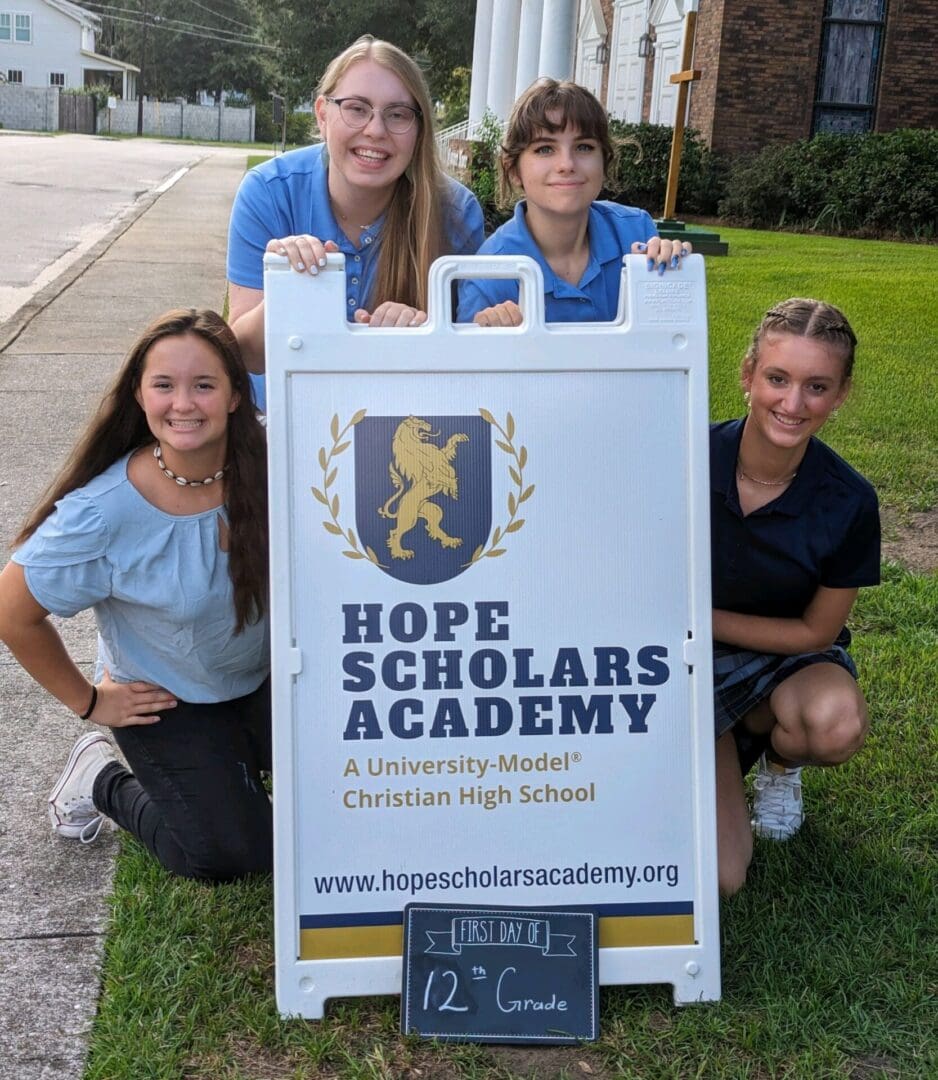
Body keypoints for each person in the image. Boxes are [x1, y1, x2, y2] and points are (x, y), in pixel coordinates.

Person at [0, 309, 272, 882]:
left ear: (233, 395)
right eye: (164, 385)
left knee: (340, 797)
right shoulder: (102, 514)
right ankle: (99, 778)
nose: (184, 403)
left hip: (264, 678)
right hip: (167, 701)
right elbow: (12, 611)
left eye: (204, 384)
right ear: (139, 395)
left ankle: (239, 759)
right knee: (232, 855)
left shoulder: (275, 459)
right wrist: (90, 702)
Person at [710, 299, 880, 896]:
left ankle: (779, 769)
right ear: (748, 374)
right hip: (685, 664)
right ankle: (722, 739)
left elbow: (816, 633)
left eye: (817, 386)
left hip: (787, 655)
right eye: (777, 379)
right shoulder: (685, 458)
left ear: (840, 396)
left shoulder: (850, 501)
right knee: (724, 878)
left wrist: (702, 618)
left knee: (832, 725)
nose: (792, 403)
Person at [227, 35, 485, 409]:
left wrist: (425, 333)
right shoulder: (268, 193)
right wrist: (290, 291)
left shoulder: (455, 212)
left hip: (396, 422)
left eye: (397, 114)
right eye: (357, 108)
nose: (376, 130)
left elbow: (470, 367)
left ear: (419, 129)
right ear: (322, 114)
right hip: (285, 427)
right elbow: (243, 356)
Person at [457, 79, 689, 326]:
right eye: (545, 149)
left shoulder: (636, 233)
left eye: (584, 147)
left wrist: (674, 271)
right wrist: (488, 340)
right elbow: (466, 362)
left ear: (604, 160)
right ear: (513, 169)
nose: (567, 164)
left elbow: (671, 344)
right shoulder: (488, 275)